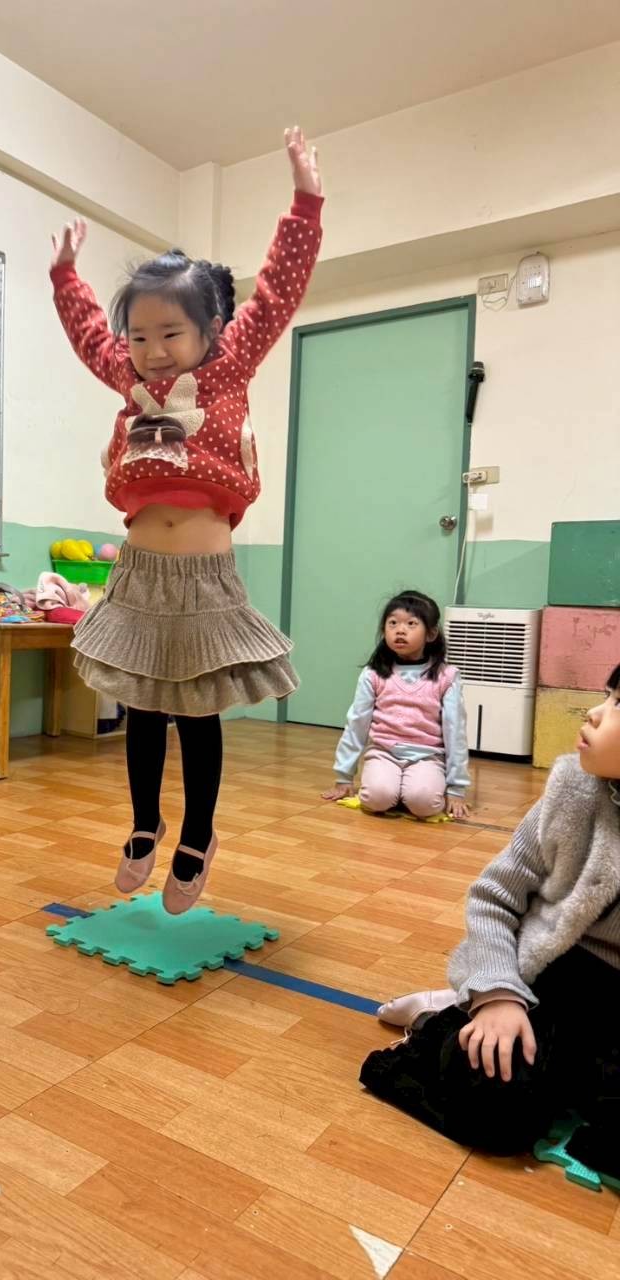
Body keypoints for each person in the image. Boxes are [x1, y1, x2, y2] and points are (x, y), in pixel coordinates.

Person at [49, 127, 323, 913]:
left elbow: (279, 291)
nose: (154, 351)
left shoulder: (230, 367)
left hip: (205, 577)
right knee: (141, 705)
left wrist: (306, 201)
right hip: (139, 573)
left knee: (196, 712)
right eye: (140, 336)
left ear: (209, 333)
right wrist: (65, 275)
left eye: (171, 334)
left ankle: (198, 835)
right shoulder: (126, 379)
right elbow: (88, 333)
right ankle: (144, 825)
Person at [359, 663, 620, 1179]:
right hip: (548, 973)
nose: (594, 712)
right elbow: (493, 899)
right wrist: (499, 993)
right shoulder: (573, 793)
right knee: (495, 1108)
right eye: (608, 695)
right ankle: (447, 1017)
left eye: (619, 706)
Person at [321, 590, 470, 819]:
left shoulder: (446, 677)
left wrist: (456, 789)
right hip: (384, 753)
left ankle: (413, 788)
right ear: (384, 631)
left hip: (427, 757)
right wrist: (344, 777)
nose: (400, 630)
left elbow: (455, 732)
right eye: (393, 623)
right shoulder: (373, 675)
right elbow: (357, 724)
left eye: (411, 624)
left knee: (425, 804)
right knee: (376, 799)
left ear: (431, 634)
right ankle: (395, 788)